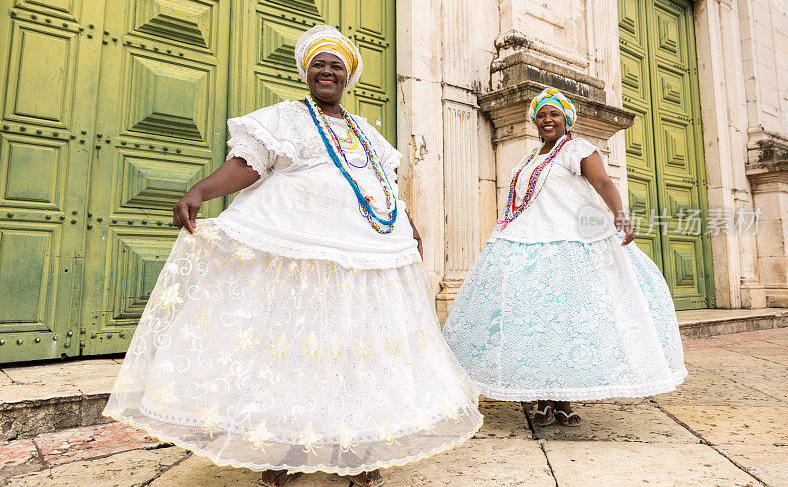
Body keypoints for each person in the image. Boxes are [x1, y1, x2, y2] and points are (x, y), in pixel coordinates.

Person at [104, 25, 482, 487]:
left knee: (355, 350)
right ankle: (281, 446)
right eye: (318, 64)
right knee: (290, 350)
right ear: (307, 74)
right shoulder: (285, 118)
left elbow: (382, 186)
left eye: (336, 66)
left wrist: (410, 225)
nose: (327, 71)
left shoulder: (365, 131)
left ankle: (357, 447)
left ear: (348, 79)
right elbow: (248, 164)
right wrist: (201, 190)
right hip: (299, 260)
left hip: (364, 260)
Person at [442, 87, 686, 427]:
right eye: (541, 114)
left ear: (567, 119)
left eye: (554, 114)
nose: (547, 119)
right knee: (538, 321)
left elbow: (602, 182)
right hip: (528, 244)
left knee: (567, 322)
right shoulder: (530, 156)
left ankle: (563, 399)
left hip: (570, 245)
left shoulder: (577, 149)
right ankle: (542, 398)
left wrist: (620, 215)